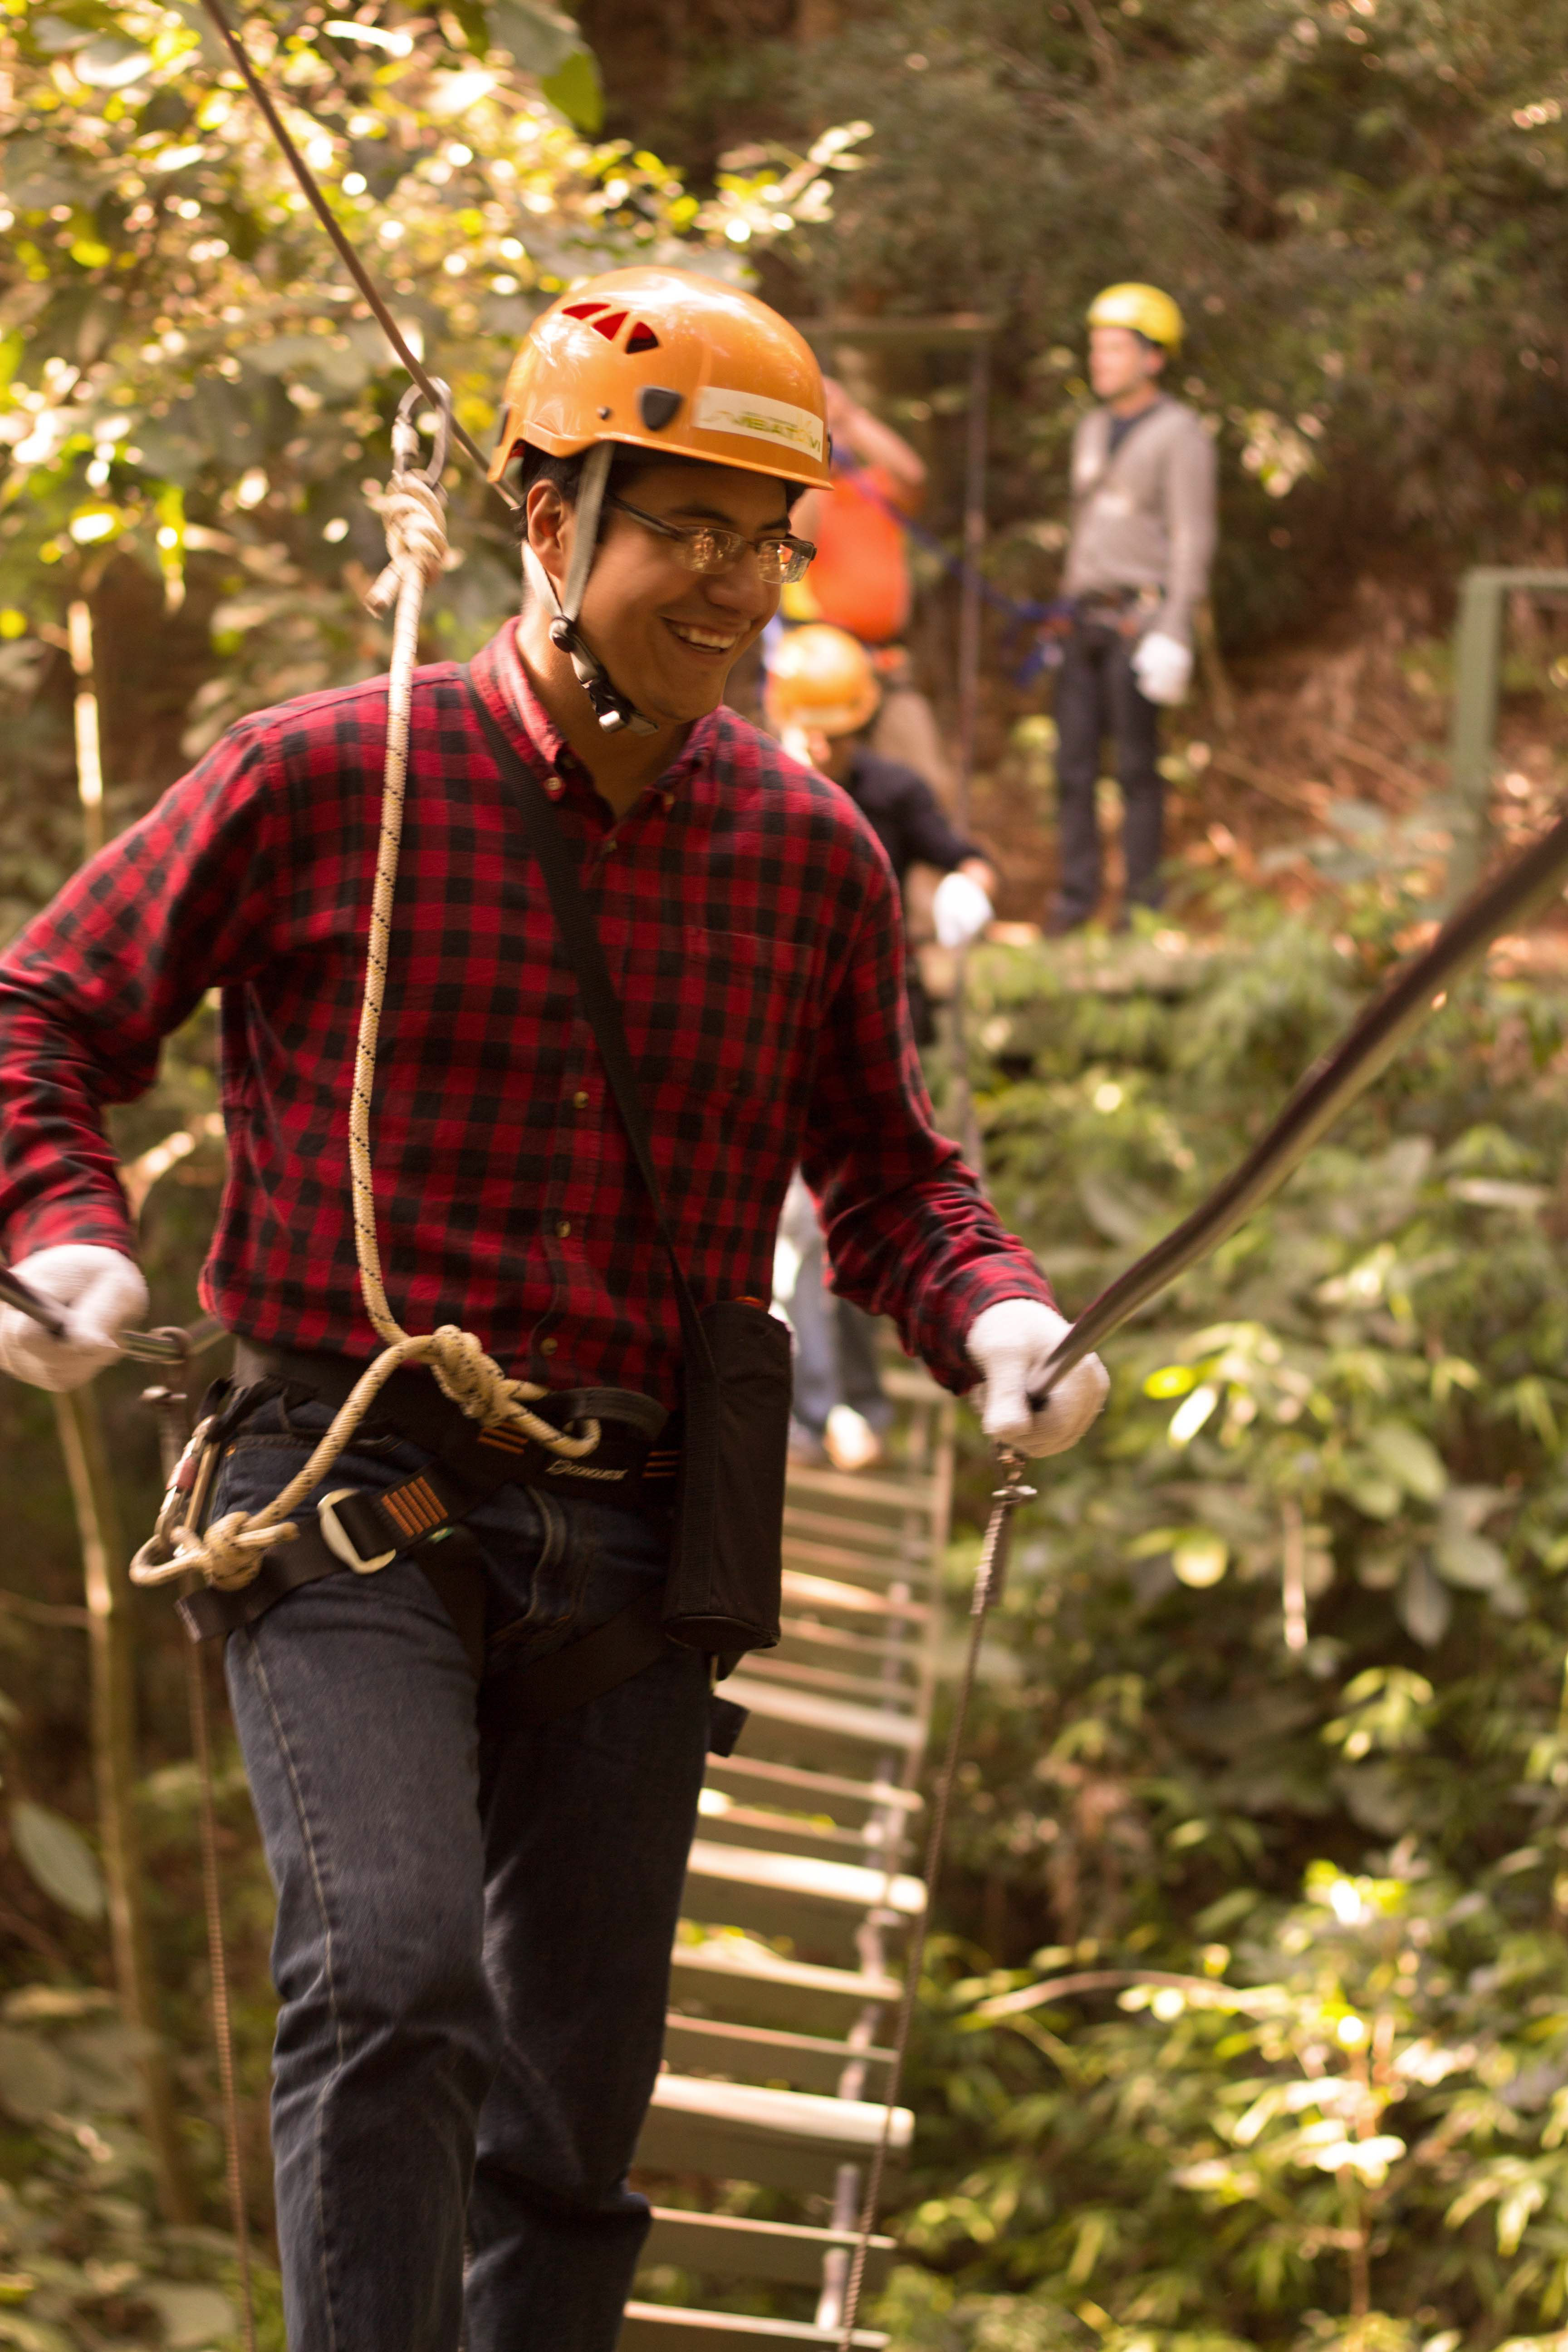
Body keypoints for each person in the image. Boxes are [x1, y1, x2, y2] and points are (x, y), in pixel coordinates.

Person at [0, 266, 1108, 2352]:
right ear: (546, 520)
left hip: (630, 1525)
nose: (726, 579)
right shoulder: (330, 779)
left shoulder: (806, 861)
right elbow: (44, 1001)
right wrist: (58, 1224)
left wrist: (992, 1321)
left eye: (758, 539)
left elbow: (883, 1175)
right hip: (345, 1482)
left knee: (571, 2102)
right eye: (675, 520)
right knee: (397, 1966)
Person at [764, 622, 999, 1472]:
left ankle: (843, 1408)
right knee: (796, 1228)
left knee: (839, 1223)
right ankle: (822, 1411)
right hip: (777, 1032)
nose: (821, 745)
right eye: (807, 728)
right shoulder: (756, 788)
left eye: (838, 729)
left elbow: (965, 855)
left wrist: (970, 891)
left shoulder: (892, 792)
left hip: (874, 1032)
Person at [1052, 281, 1217, 934]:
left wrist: (1174, 630)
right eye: (1096, 348)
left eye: (1116, 349)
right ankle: (1072, 906)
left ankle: (1141, 912)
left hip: (1138, 623)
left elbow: (1194, 535)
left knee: (1137, 772)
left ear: (1154, 357)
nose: (1100, 361)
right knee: (1072, 768)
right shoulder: (1091, 429)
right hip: (1081, 622)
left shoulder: (1182, 435)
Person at [784, 373, 955, 795]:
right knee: (820, 791)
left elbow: (913, 475)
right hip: (820, 665)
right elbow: (797, 540)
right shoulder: (803, 498)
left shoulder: (874, 488)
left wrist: (850, 417)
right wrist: (814, 448)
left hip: (885, 663)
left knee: (926, 785)